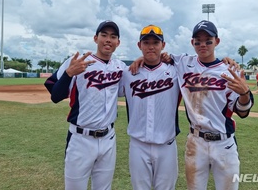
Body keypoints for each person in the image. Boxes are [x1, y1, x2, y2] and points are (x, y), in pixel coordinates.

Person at [169, 20, 254, 190]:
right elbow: (157, 56)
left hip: (224, 143)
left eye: (208, 40)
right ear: (192, 42)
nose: (203, 44)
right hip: (195, 141)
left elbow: (242, 111)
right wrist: (141, 58)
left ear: (217, 41)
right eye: (198, 41)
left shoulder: (230, 71)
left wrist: (245, 94)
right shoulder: (183, 63)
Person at [44, 20, 126, 190]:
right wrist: (68, 74)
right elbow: (55, 95)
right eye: (104, 35)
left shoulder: (120, 67)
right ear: (96, 38)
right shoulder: (77, 62)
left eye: (113, 36)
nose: (108, 40)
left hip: (108, 138)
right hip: (80, 139)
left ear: (118, 42)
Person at [119, 25, 181, 190]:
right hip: (138, 145)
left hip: (167, 145)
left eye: (155, 42)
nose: (151, 46)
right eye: (146, 42)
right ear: (139, 46)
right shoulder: (128, 73)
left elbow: (198, 63)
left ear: (163, 45)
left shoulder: (176, 71)